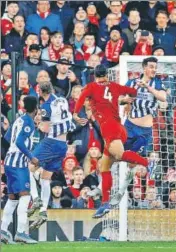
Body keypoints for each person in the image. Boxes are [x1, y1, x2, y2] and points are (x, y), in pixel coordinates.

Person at [73, 64, 148, 218]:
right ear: (106, 74)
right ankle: (105, 204)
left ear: (95, 75)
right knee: (104, 166)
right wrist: (128, 100)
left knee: (120, 156)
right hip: (118, 126)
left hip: (109, 128)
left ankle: (147, 163)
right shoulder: (114, 85)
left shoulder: (91, 87)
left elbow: (80, 98)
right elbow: (133, 93)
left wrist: (75, 113)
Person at [109, 57, 166, 207]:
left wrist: (148, 87)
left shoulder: (157, 83)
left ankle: (121, 191)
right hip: (129, 126)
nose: (154, 69)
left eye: (155, 67)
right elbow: (119, 99)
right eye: (151, 67)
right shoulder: (131, 82)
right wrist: (126, 100)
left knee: (132, 163)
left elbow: (163, 97)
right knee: (115, 154)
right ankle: (107, 186)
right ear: (144, 68)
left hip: (144, 131)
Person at [27, 81, 75, 230]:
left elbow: (46, 128)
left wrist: (38, 122)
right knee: (45, 178)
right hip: (63, 146)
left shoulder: (47, 107)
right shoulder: (61, 100)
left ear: (41, 92)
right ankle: (43, 212)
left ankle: (35, 199)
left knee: (28, 168)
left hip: (51, 143)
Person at [1, 96, 38, 244]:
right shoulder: (28, 121)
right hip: (18, 164)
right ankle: (21, 232)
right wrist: (31, 156)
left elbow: (7, 137)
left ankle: (3, 230)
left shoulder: (19, 119)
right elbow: (19, 141)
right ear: (35, 108)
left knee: (13, 198)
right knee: (25, 196)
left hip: (10, 161)